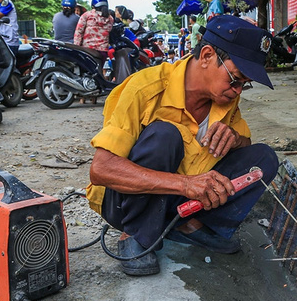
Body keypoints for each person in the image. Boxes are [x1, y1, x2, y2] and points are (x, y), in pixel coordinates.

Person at [87, 15, 279, 276]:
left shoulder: (224, 97)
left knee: (263, 158)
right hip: (126, 202)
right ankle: (134, 234)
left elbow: (245, 144)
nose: (238, 91)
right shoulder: (145, 89)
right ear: (207, 56)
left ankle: (190, 225)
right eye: (235, 79)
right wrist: (187, 185)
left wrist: (233, 138)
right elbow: (102, 170)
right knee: (165, 135)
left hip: (181, 200)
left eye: (245, 84)